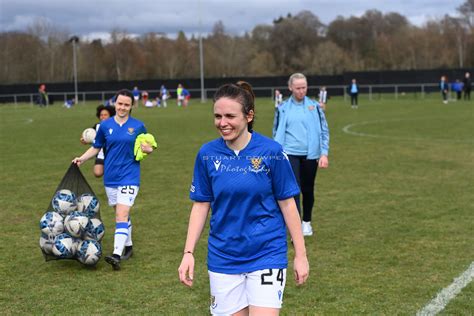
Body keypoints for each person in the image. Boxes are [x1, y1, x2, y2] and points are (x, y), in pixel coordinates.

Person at [178, 81, 309, 315]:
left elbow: (288, 205)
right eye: (218, 116)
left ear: (249, 116)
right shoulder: (207, 154)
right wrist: (188, 253)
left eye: (230, 116)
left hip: (267, 252)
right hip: (223, 256)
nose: (222, 123)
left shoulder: (272, 152)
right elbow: (201, 205)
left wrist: (301, 255)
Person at [73, 89, 154, 270]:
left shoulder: (138, 126)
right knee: (121, 213)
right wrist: (82, 158)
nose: (122, 107)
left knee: (121, 215)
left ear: (131, 106)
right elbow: (96, 147)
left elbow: (149, 145)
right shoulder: (105, 126)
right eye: (120, 104)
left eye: (126, 104)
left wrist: (148, 149)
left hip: (130, 176)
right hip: (110, 177)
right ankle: (129, 245)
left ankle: (116, 254)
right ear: (114, 104)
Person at [273, 73, 329, 237]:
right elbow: (276, 130)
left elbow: (324, 130)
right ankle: (295, 226)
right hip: (289, 153)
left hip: (311, 155)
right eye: (297, 88)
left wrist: (324, 153)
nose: (301, 91)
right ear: (290, 87)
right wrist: (277, 152)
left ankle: (306, 222)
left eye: (304, 87)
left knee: (308, 189)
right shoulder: (282, 108)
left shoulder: (315, 107)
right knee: (293, 190)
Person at [80, 105, 116, 178]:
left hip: (112, 154)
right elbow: (92, 137)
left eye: (105, 115)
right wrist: (85, 140)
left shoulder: (115, 126)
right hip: (100, 154)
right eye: (101, 115)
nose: (103, 116)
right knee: (97, 173)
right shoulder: (96, 126)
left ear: (110, 116)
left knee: (113, 175)